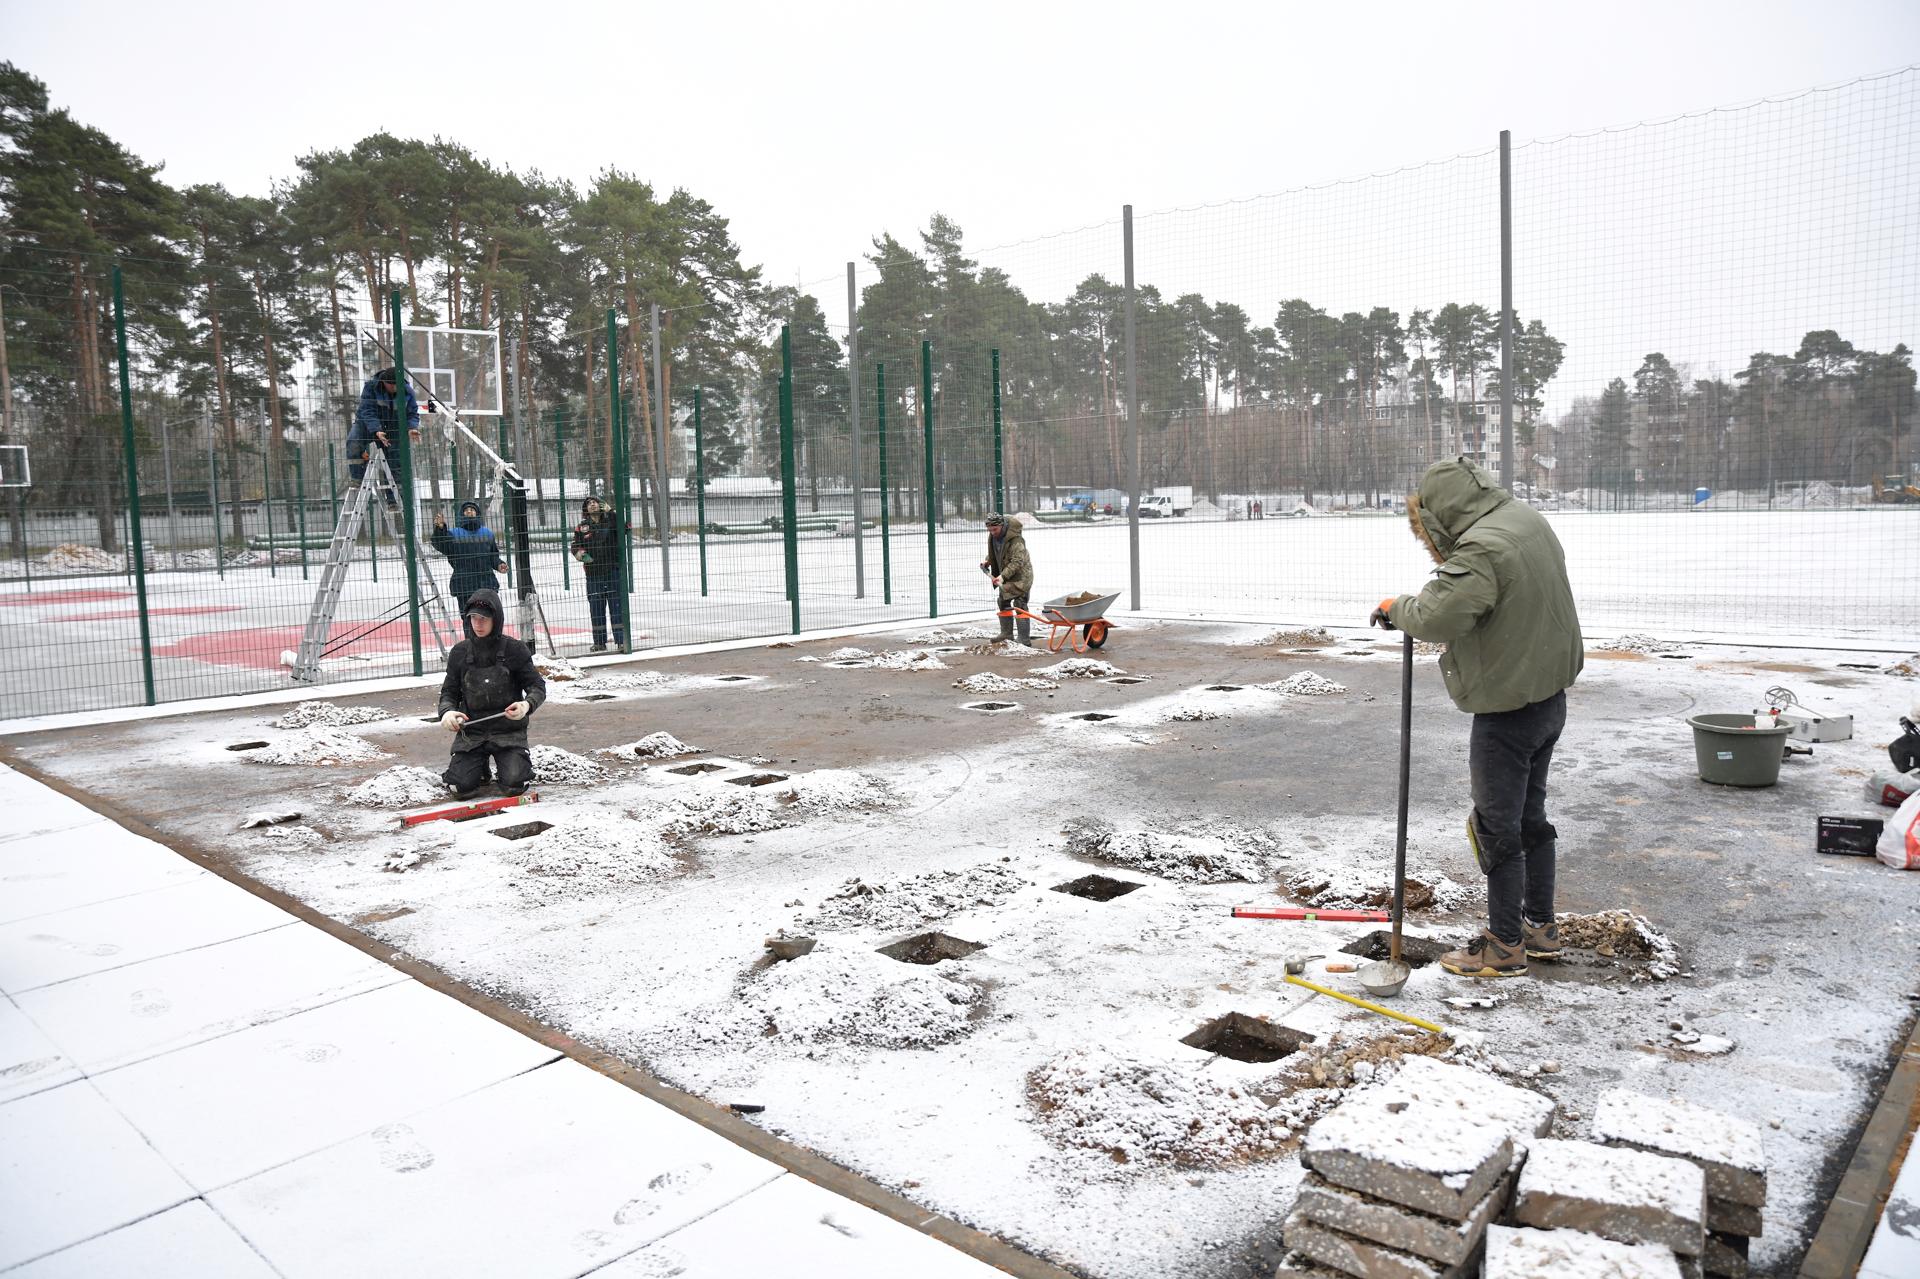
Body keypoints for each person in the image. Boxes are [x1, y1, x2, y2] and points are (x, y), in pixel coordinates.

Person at [1370, 457, 1584, 979]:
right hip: (1547, 698)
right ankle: (1540, 929)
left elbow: (1436, 615)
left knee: (1496, 828)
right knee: (1531, 818)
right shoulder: (1524, 520)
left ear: (1442, 514)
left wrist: (1396, 606)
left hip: (1508, 711)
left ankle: (1504, 946)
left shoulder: (1482, 548)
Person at [438, 588, 546, 798]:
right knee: (460, 787)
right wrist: (447, 713)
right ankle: (479, 768)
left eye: (484, 619)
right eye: (474, 618)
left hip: (508, 731)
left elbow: (537, 687)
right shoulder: (459, 652)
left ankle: (509, 764)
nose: (478, 624)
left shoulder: (515, 649)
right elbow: (448, 693)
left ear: (496, 619)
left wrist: (526, 705)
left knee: (515, 784)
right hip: (472, 732)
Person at [431, 500, 506, 640]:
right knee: (469, 620)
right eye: (467, 510)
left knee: (490, 616)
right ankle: (471, 648)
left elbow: (493, 556)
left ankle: (491, 647)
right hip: (464, 584)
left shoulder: (487, 533)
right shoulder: (454, 534)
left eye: (473, 510)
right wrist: (440, 529)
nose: (470, 512)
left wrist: (499, 564)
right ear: (462, 514)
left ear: (477, 514)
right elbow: (441, 545)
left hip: (487, 583)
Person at [345, 368, 421, 490]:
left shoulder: (408, 392)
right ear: (384, 382)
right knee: (353, 441)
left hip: (392, 427)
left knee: (394, 461)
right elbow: (367, 411)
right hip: (366, 423)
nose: (394, 388)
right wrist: (377, 429)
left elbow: (412, 413)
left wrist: (412, 427)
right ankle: (357, 478)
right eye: (391, 385)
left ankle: (394, 500)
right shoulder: (370, 388)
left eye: (397, 385)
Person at [569, 495, 628, 652]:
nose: (592, 505)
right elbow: (575, 545)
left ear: (601, 506)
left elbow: (626, 528)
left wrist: (613, 512)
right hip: (593, 574)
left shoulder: (611, 521)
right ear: (586, 509)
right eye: (589, 503)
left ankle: (622, 641)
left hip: (613, 571)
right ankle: (599, 642)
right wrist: (580, 554)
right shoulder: (582, 527)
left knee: (616, 607)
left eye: (595, 502)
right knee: (596, 608)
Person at [980, 512, 1034, 645]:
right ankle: (1006, 633)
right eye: (990, 530)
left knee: (1020, 604)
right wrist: (988, 561)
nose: (992, 532)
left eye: (995, 529)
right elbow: (997, 552)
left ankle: (1024, 638)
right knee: (1002, 601)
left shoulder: (1016, 540)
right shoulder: (995, 536)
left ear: (1002, 526)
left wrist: (1002, 577)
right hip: (1006, 575)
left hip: (1021, 576)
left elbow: (1017, 561)